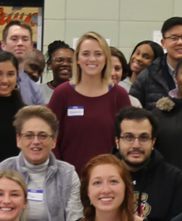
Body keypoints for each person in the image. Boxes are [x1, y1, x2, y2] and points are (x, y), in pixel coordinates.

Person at [0, 106, 83, 221]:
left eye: (43, 136)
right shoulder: (3, 169)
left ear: (54, 141)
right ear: (18, 140)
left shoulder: (68, 174)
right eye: (29, 135)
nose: (35, 142)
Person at [48, 32, 133, 168]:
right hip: (69, 180)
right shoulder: (62, 94)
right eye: (86, 54)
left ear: (106, 59)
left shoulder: (119, 95)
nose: (92, 59)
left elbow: (128, 139)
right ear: (77, 59)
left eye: (98, 54)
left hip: (108, 179)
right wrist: (61, 173)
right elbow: (49, 135)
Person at [115, 107, 182, 221]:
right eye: (129, 137)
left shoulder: (173, 178)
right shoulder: (101, 174)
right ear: (117, 142)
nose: (136, 145)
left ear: (153, 142)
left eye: (143, 138)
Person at [0, 21, 50, 106]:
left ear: (31, 47)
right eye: (14, 39)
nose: (20, 43)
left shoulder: (35, 91)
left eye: (25, 39)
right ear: (3, 45)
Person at [131, 17, 182, 108]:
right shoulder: (148, 75)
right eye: (174, 38)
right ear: (163, 43)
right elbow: (131, 112)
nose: (180, 42)